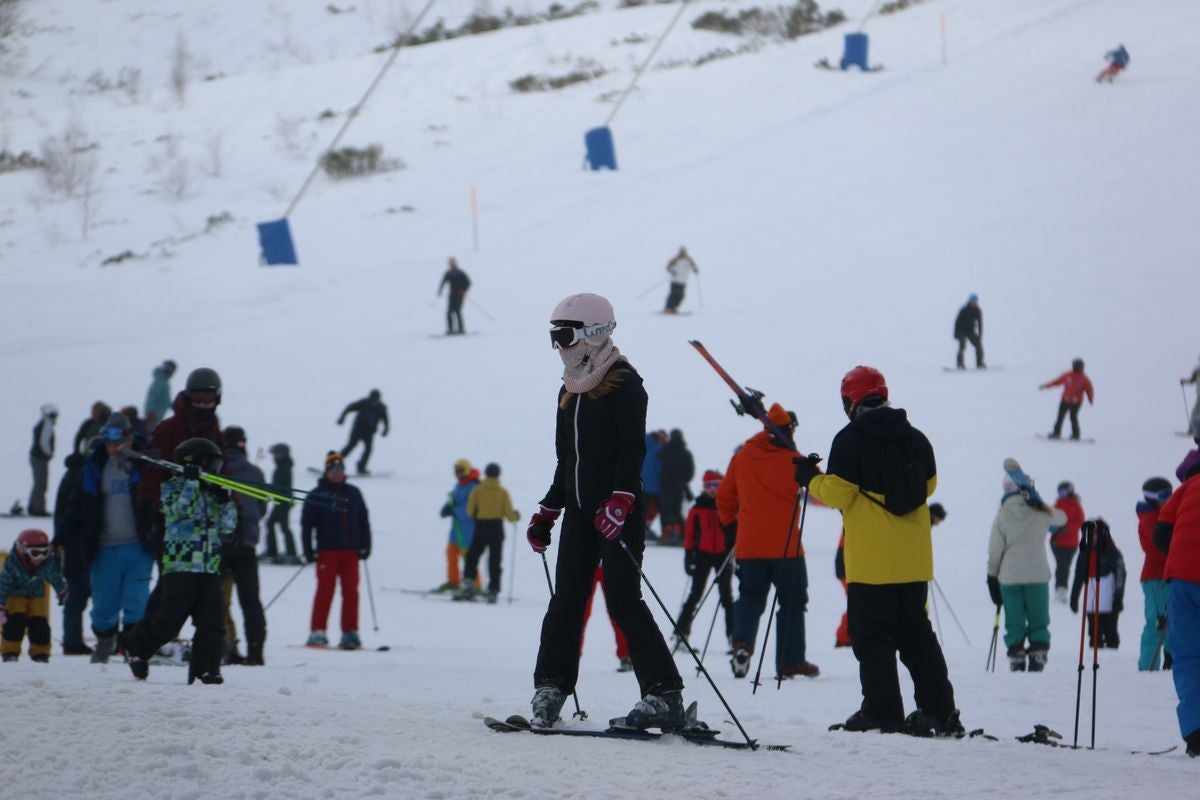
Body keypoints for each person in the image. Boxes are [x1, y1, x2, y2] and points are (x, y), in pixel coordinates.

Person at [527, 292, 688, 730]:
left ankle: (664, 693)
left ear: (593, 333)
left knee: (623, 600)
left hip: (617, 513)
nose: (560, 345)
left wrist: (621, 499)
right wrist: (548, 509)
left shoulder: (624, 382)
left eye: (565, 334)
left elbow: (630, 449)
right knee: (566, 602)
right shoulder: (569, 389)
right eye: (554, 336)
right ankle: (552, 685)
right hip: (580, 515)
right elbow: (567, 461)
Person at [800, 365, 963, 736]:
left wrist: (810, 479)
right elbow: (930, 486)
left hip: (872, 563)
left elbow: (841, 494)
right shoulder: (916, 438)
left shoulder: (849, 440)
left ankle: (882, 711)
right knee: (917, 637)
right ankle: (940, 712)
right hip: (914, 561)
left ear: (850, 401)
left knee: (872, 638)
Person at [718, 403, 817, 680]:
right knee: (793, 602)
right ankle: (790, 661)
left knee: (749, 598)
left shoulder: (744, 456)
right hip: (787, 548)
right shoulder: (793, 460)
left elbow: (725, 496)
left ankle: (742, 645)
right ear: (789, 430)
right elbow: (818, 485)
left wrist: (729, 527)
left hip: (750, 546)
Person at [125, 438, 236, 684]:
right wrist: (192, 483)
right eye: (209, 464)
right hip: (181, 566)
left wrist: (224, 500)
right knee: (169, 621)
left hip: (209, 566)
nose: (214, 470)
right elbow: (179, 510)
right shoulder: (173, 487)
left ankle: (206, 669)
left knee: (213, 622)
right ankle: (137, 647)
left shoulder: (212, 492)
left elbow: (228, 527)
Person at [74, 413, 155, 664]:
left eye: (117, 441)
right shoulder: (95, 465)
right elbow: (77, 505)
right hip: (105, 548)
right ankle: (105, 640)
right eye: (108, 441)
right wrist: (63, 537)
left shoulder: (145, 463)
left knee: (136, 601)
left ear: (129, 438)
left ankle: (133, 650)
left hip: (138, 547)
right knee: (103, 607)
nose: (112, 447)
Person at [986, 470, 1068, 672]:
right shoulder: (1040, 511)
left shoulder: (1002, 514)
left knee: (1014, 617)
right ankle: (1038, 652)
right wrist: (1039, 501)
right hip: (1037, 574)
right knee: (1038, 616)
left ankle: (1016, 655)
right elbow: (1062, 519)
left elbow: (995, 549)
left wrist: (991, 576)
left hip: (1009, 576)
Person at [1153, 452, 1200, 756]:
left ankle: (1196, 735)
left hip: (1182, 579)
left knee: (1187, 655)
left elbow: (1160, 535)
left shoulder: (1185, 489)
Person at [303, 452, 372, 650]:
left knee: (351, 592)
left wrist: (366, 545)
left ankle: (350, 632)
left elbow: (363, 520)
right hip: (327, 551)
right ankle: (318, 631)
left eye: (340, 469)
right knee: (325, 590)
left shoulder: (354, 493)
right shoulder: (317, 494)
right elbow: (307, 525)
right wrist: (308, 549)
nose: (336, 473)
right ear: (326, 471)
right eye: (333, 470)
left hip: (351, 551)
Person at [219, 427, 267, 666]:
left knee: (218, 600)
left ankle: (225, 646)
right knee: (250, 602)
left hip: (220, 546)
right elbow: (261, 510)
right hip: (246, 545)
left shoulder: (215, 469)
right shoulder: (255, 472)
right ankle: (256, 652)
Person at [676, 470, 733, 646]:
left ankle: (734, 636)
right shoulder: (697, 508)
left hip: (724, 555)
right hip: (702, 555)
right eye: (708, 485)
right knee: (695, 595)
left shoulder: (727, 505)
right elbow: (690, 534)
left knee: (726, 597)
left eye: (716, 485)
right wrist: (688, 556)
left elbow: (734, 529)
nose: (712, 489)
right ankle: (681, 632)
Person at [0, 530, 67, 662]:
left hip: (37, 595)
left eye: (44, 553)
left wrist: (62, 591)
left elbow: (55, 577)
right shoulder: (12, 564)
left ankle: (40, 654)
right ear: (22, 550)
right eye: (35, 553)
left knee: (40, 623)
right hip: (15, 596)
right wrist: (1, 604)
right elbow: (4, 584)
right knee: (16, 621)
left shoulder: (47, 563)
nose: (40, 558)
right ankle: (10, 651)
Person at [457, 463, 520, 603]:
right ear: (498, 475)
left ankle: (468, 583)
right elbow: (509, 515)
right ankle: (493, 590)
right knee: (495, 560)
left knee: (472, 556)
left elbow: (469, 512)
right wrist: (516, 516)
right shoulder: (503, 492)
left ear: (485, 474)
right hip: (497, 528)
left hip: (481, 527)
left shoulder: (478, 490)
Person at [52, 447, 91, 654]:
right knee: (78, 595)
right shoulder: (81, 476)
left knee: (76, 595)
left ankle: (72, 641)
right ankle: (73, 642)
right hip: (77, 545)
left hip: (70, 545)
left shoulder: (71, 474)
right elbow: (71, 515)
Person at [1070, 518, 1126, 649]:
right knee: (1094, 634)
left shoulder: (1113, 553)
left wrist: (1118, 598)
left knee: (1111, 632)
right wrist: (1074, 597)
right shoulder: (1084, 553)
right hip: (1091, 601)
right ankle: (1095, 657)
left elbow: (1120, 576)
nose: (1094, 537)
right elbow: (1078, 575)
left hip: (1109, 601)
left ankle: (1113, 659)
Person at [1138, 477, 1173, 671]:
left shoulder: (1163, 515)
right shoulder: (1150, 518)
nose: (1169, 498)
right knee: (1158, 621)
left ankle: (1171, 659)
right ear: (1152, 498)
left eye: (1171, 494)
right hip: (1155, 576)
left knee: (1172, 619)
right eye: (1164, 495)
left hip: (1167, 574)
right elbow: (1159, 545)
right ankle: (1148, 666)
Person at [438, 459, 480, 593]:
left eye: (461, 470)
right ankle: (453, 581)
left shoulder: (473, 487)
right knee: (451, 552)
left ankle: (476, 584)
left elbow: (470, 507)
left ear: (467, 470)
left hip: (468, 529)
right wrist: (447, 508)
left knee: (468, 557)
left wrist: (454, 510)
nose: (458, 473)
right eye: (456, 471)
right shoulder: (459, 485)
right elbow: (454, 500)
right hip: (456, 529)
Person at [580, 566, 633, 671]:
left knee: (618, 611)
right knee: (580, 612)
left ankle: (627, 655)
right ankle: (570, 654)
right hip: (586, 563)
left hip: (610, 564)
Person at [262, 443, 301, 564]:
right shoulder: (283, 466)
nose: (273, 456)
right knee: (272, 524)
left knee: (282, 527)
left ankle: (289, 553)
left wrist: (267, 488)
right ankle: (275, 551)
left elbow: (279, 486)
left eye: (275, 454)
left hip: (283, 502)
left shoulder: (283, 468)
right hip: (281, 501)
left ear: (282, 454)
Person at [337, 389, 389, 475]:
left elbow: (385, 420)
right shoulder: (363, 403)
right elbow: (349, 408)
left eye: (376, 399)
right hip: (358, 429)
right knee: (350, 446)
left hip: (369, 432)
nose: (374, 401)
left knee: (368, 449)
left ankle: (361, 468)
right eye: (372, 399)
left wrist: (386, 429)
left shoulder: (381, 407)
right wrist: (342, 418)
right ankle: (334, 465)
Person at [1039, 358, 1094, 440]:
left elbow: (1089, 389)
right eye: (1076, 365)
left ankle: (1076, 435)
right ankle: (1056, 433)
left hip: (1076, 402)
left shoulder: (1084, 379)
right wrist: (1045, 386)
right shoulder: (1067, 375)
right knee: (1060, 417)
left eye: (1079, 366)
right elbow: (1056, 382)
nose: (1077, 367)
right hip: (1065, 400)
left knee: (1073, 417)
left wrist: (1090, 398)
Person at [657, 429, 694, 545]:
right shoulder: (686, 453)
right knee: (677, 509)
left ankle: (667, 532)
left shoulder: (665, 450)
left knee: (666, 509)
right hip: (679, 485)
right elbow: (690, 471)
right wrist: (684, 482)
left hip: (665, 485)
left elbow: (658, 461)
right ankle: (680, 533)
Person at [1051, 481, 1085, 603]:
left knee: (1066, 566)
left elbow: (1080, 521)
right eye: (1059, 492)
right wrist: (1056, 527)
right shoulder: (1058, 504)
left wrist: (1067, 527)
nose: (1061, 495)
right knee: (1062, 565)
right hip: (1057, 542)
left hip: (1072, 543)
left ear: (1070, 491)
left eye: (1063, 492)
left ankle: (1063, 589)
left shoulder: (1075, 504)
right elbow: (1051, 518)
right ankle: (1060, 589)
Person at [28, 403, 58, 517]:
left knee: (37, 483)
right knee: (41, 483)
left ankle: (33, 506)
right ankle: (38, 509)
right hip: (40, 458)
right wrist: (49, 453)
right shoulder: (47, 423)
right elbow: (44, 441)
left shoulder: (42, 422)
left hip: (35, 456)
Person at [640, 429, 667, 538]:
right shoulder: (659, 449)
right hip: (655, 486)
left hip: (643, 484)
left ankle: (643, 528)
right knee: (660, 508)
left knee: (644, 509)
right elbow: (660, 468)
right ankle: (666, 531)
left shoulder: (644, 445)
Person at [437, 256, 471, 334]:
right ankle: (450, 329)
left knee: (457, 311)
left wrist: (463, 290)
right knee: (449, 312)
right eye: (450, 263)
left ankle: (461, 329)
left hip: (459, 295)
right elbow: (443, 282)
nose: (451, 264)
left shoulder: (460, 273)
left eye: (452, 263)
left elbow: (468, 282)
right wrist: (440, 290)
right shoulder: (448, 273)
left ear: (455, 263)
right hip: (452, 295)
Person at [663, 247, 699, 314]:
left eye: (683, 253)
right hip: (675, 281)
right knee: (674, 294)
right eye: (681, 253)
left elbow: (695, 268)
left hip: (683, 281)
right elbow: (668, 267)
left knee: (681, 295)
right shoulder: (675, 260)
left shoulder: (689, 260)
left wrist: (695, 270)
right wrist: (672, 272)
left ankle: (674, 308)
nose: (682, 254)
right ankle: (668, 308)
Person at [144, 359, 177, 431]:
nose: (174, 373)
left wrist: (176, 408)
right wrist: (150, 412)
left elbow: (165, 399)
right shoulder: (161, 381)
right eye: (173, 371)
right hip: (153, 416)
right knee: (150, 436)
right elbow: (153, 397)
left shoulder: (164, 382)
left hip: (157, 416)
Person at [953, 294, 984, 369]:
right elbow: (957, 322)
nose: (973, 303)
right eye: (972, 301)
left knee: (978, 346)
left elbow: (980, 322)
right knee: (962, 347)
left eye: (975, 301)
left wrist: (980, 334)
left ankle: (979, 363)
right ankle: (960, 364)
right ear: (969, 301)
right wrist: (956, 334)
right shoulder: (964, 310)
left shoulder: (977, 310)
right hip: (961, 331)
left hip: (970, 331)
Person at [1182, 356, 1200, 435]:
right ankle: (1192, 429)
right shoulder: (1197, 370)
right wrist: (1184, 382)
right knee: (1195, 413)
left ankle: (1192, 430)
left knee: (1195, 413)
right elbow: (1192, 380)